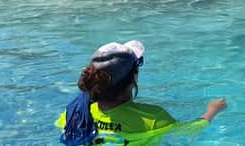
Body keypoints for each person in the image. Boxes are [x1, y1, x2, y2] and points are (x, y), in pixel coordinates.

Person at [57, 40, 226, 146]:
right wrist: (213, 110)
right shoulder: (152, 118)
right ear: (133, 77)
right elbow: (191, 129)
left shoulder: (73, 114)